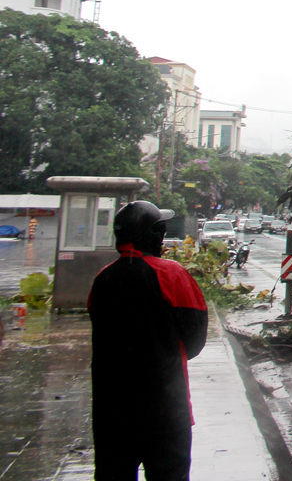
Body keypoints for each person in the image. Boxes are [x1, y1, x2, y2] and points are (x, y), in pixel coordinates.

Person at [89, 201, 207, 481]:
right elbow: (195, 339)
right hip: (165, 408)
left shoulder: (101, 279)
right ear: (155, 236)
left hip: (111, 410)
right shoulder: (172, 274)